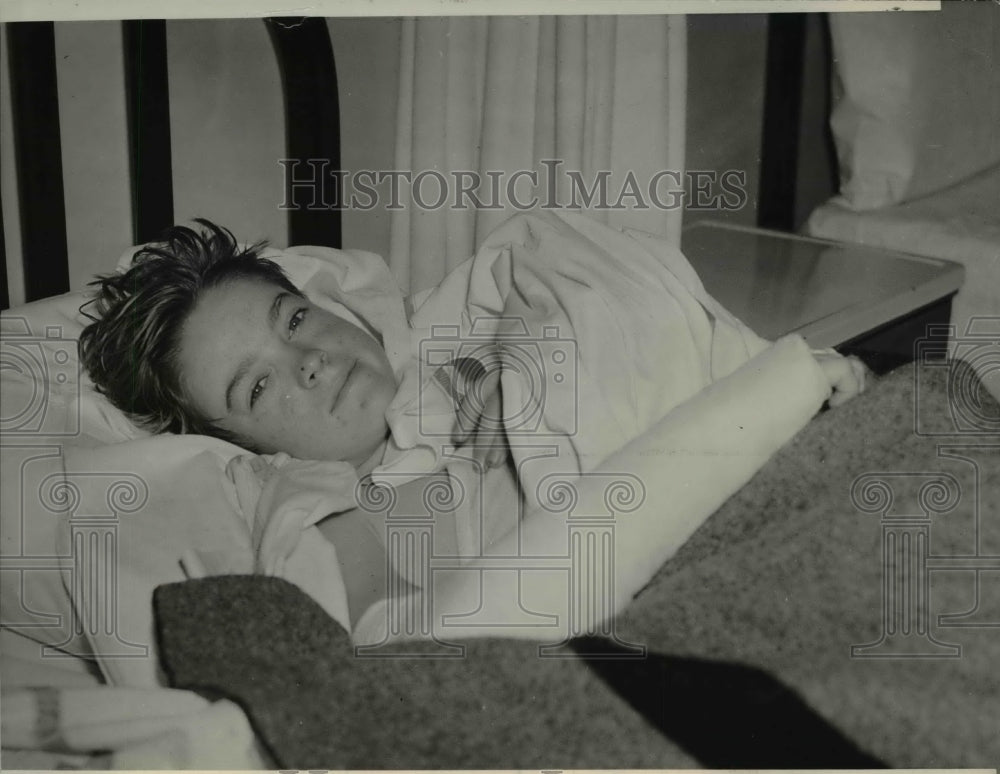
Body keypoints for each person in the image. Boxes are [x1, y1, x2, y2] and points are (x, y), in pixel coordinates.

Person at [80, 217, 866, 641]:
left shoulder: (463, 336)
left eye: (293, 318)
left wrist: (522, 369)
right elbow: (433, 637)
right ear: (242, 447)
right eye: (258, 384)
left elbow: (607, 304)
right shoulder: (330, 514)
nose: (308, 360)